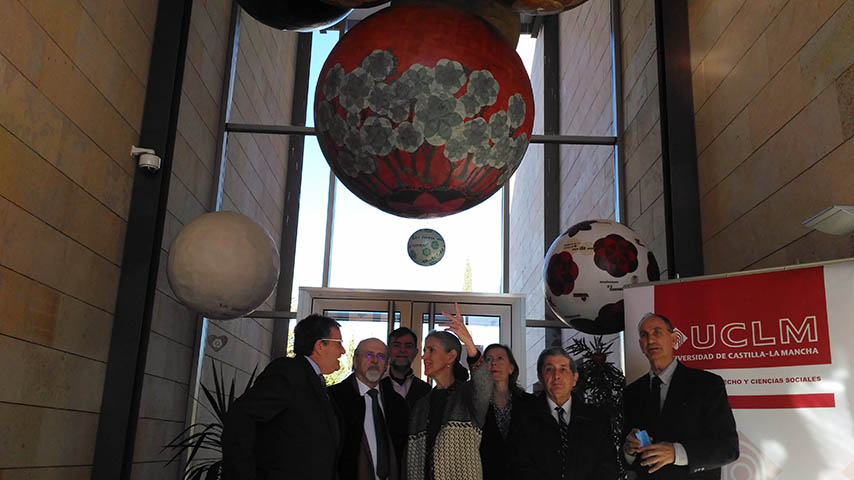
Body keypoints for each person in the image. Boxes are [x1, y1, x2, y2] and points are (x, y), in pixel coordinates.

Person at [222, 314, 345, 480]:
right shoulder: (289, 372)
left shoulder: (316, 382)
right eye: (339, 344)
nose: (343, 351)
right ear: (320, 346)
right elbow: (241, 417)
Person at [623, 313, 739, 479]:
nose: (651, 340)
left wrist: (677, 453)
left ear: (673, 339)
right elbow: (627, 457)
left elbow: (728, 448)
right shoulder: (632, 392)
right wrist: (629, 450)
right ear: (641, 345)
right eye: (644, 335)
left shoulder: (707, 384)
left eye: (657, 332)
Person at [403, 304, 493, 480]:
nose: (424, 357)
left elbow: (484, 385)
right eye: (424, 351)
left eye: (431, 350)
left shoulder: (467, 396)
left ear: (451, 357)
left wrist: (470, 345)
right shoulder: (421, 404)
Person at [511, 347, 617, 479]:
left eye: (563, 369)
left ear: (574, 378)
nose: (556, 376)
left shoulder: (597, 419)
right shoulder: (524, 418)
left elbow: (608, 467)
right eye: (549, 369)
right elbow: (520, 467)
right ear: (540, 378)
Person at [329, 338, 409, 480]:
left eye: (381, 356)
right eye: (368, 355)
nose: (374, 361)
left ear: (386, 365)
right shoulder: (334, 398)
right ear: (355, 361)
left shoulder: (397, 404)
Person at [478, 344, 533, 480]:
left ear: (511, 368)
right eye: (489, 359)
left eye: (500, 358)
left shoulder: (529, 403)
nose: (494, 363)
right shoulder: (477, 404)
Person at [382, 326, 431, 409]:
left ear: (416, 352)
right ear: (388, 351)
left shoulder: (426, 391)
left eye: (408, 346)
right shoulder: (376, 386)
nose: (402, 350)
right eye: (397, 345)